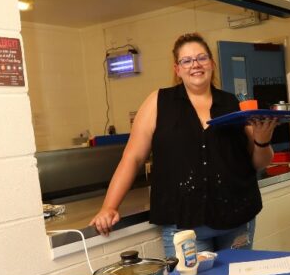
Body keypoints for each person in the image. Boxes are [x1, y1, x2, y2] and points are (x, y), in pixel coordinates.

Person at [89, 33, 276, 257]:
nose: (195, 65)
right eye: (186, 61)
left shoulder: (232, 103)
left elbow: (257, 162)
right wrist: (109, 206)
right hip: (183, 224)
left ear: (212, 64)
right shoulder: (157, 102)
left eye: (201, 58)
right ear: (177, 69)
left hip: (237, 218)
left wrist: (262, 140)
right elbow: (133, 158)